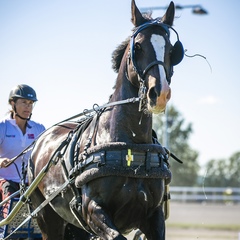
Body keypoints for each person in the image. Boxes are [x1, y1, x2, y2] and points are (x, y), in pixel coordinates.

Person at [0, 84, 45, 218]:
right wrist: (0, 160)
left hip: (31, 181)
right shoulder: (3, 127)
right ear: (13, 104)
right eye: (24, 102)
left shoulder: (39, 128)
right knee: (11, 207)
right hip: (6, 181)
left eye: (31, 103)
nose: (28, 107)